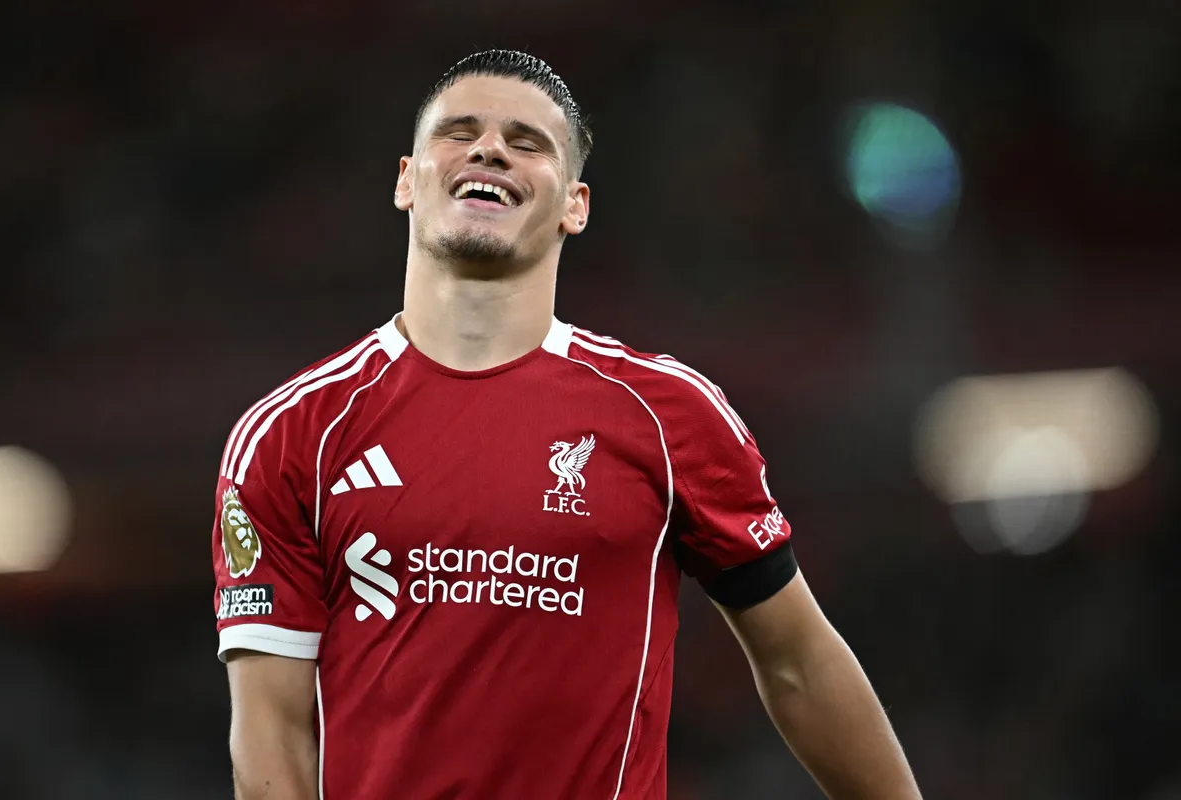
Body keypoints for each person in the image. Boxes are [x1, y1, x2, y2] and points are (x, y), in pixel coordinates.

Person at [211, 49, 922, 800]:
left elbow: (798, 664)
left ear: (575, 205)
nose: (489, 149)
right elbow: (271, 733)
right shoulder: (291, 434)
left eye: (527, 143)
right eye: (459, 133)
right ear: (405, 182)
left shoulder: (668, 415)